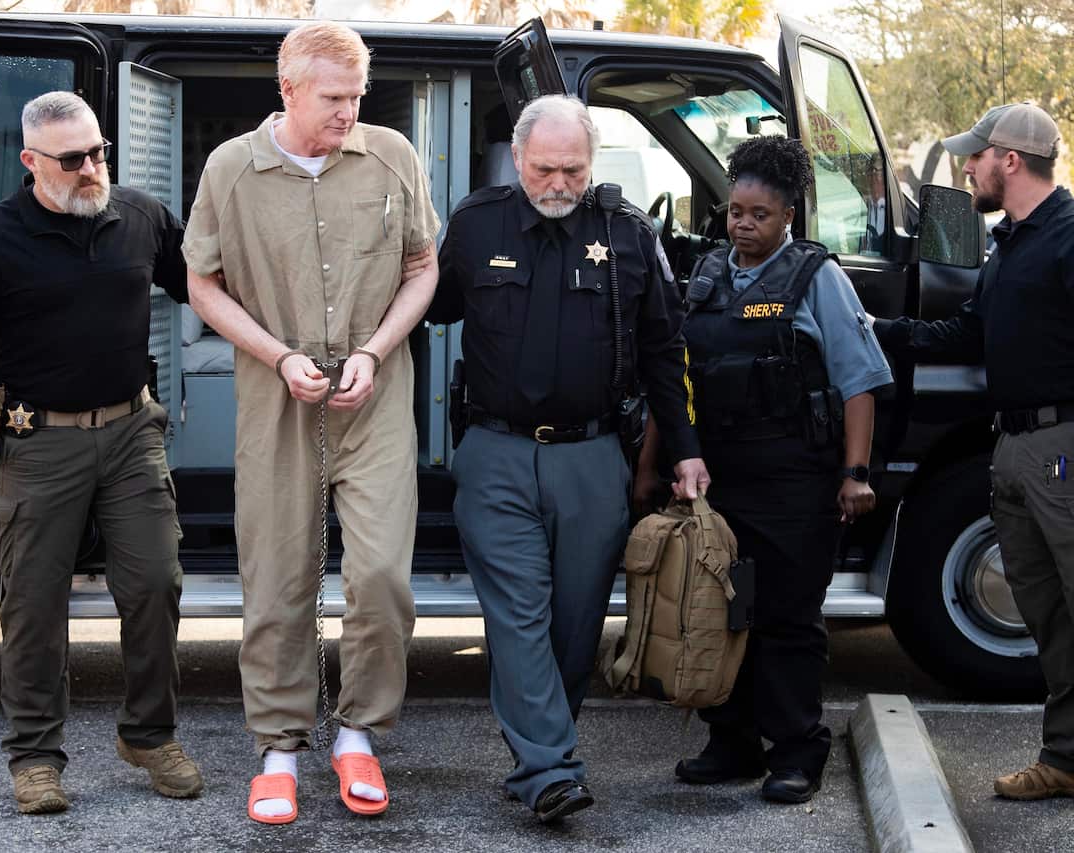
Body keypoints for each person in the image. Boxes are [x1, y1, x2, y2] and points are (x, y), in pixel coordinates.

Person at [0, 91, 202, 814]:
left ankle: (149, 733)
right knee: (33, 603)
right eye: (74, 160)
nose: (93, 167)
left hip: (133, 432)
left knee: (157, 581)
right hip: (38, 443)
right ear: (31, 162)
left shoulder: (140, 217)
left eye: (99, 151)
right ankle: (35, 755)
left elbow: (203, 287)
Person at [181, 21, 440, 824]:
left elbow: (422, 267)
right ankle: (280, 746)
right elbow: (202, 284)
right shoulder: (231, 168)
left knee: (383, 579)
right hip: (277, 401)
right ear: (288, 89)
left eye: (357, 95)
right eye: (333, 97)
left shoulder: (391, 153)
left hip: (376, 398)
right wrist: (277, 354)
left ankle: (357, 734)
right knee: (277, 578)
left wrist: (375, 349)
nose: (348, 111)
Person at [428, 94, 708, 823]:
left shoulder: (626, 233)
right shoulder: (475, 223)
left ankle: (540, 747)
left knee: (576, 624)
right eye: (545, 168)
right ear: (518, 159)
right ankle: (550, 767)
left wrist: (685, 451)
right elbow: (423, 304)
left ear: (593, 163)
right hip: (496, 452)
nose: (559, 183)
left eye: (573, 169)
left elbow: (663, 350)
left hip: (592, 456)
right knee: (519, 613)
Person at [638, 135, 892, 804]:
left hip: (794, 479)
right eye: (735, 212)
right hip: (720, 478)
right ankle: (734, 740)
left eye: (759, 215)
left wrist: (856, 472)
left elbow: (860, 380)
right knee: (721, 610)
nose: (743, 225)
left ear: (788, 218)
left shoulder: (817, 277)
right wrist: (648, 465)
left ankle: (797, 749)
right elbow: (676, 380)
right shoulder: (707, 275)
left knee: (785, 615)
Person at [871, 102, 1074, 800]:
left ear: (1009, 160)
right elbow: (968, 331)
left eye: (976, 156)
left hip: (1063, 447)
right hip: (1014, 446)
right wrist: (876, 331)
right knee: (1047, 615)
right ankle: (1065, 759)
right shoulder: (1010, 241)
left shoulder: (1070, 237)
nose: (966, 166)